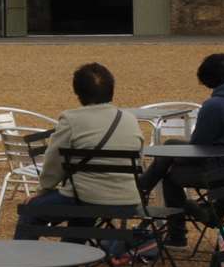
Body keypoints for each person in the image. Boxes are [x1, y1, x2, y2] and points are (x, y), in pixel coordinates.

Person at [138, 52, 224, 246]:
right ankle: (200, 211)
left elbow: (197, 149)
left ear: (208, 78)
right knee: (170, 156)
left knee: (169, 167)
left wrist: (173, 157)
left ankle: (155, 207)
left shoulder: (216, 104)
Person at [14, 63, 144, 245]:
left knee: (32, 210)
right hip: (127, 201)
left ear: (78, 93)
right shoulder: (130, 119)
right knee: (81, 203)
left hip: (87, 199)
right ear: (111, 90)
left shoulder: (71, 119)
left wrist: (43, 190)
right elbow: (139, 161)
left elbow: (54, 161)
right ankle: (66, 264)